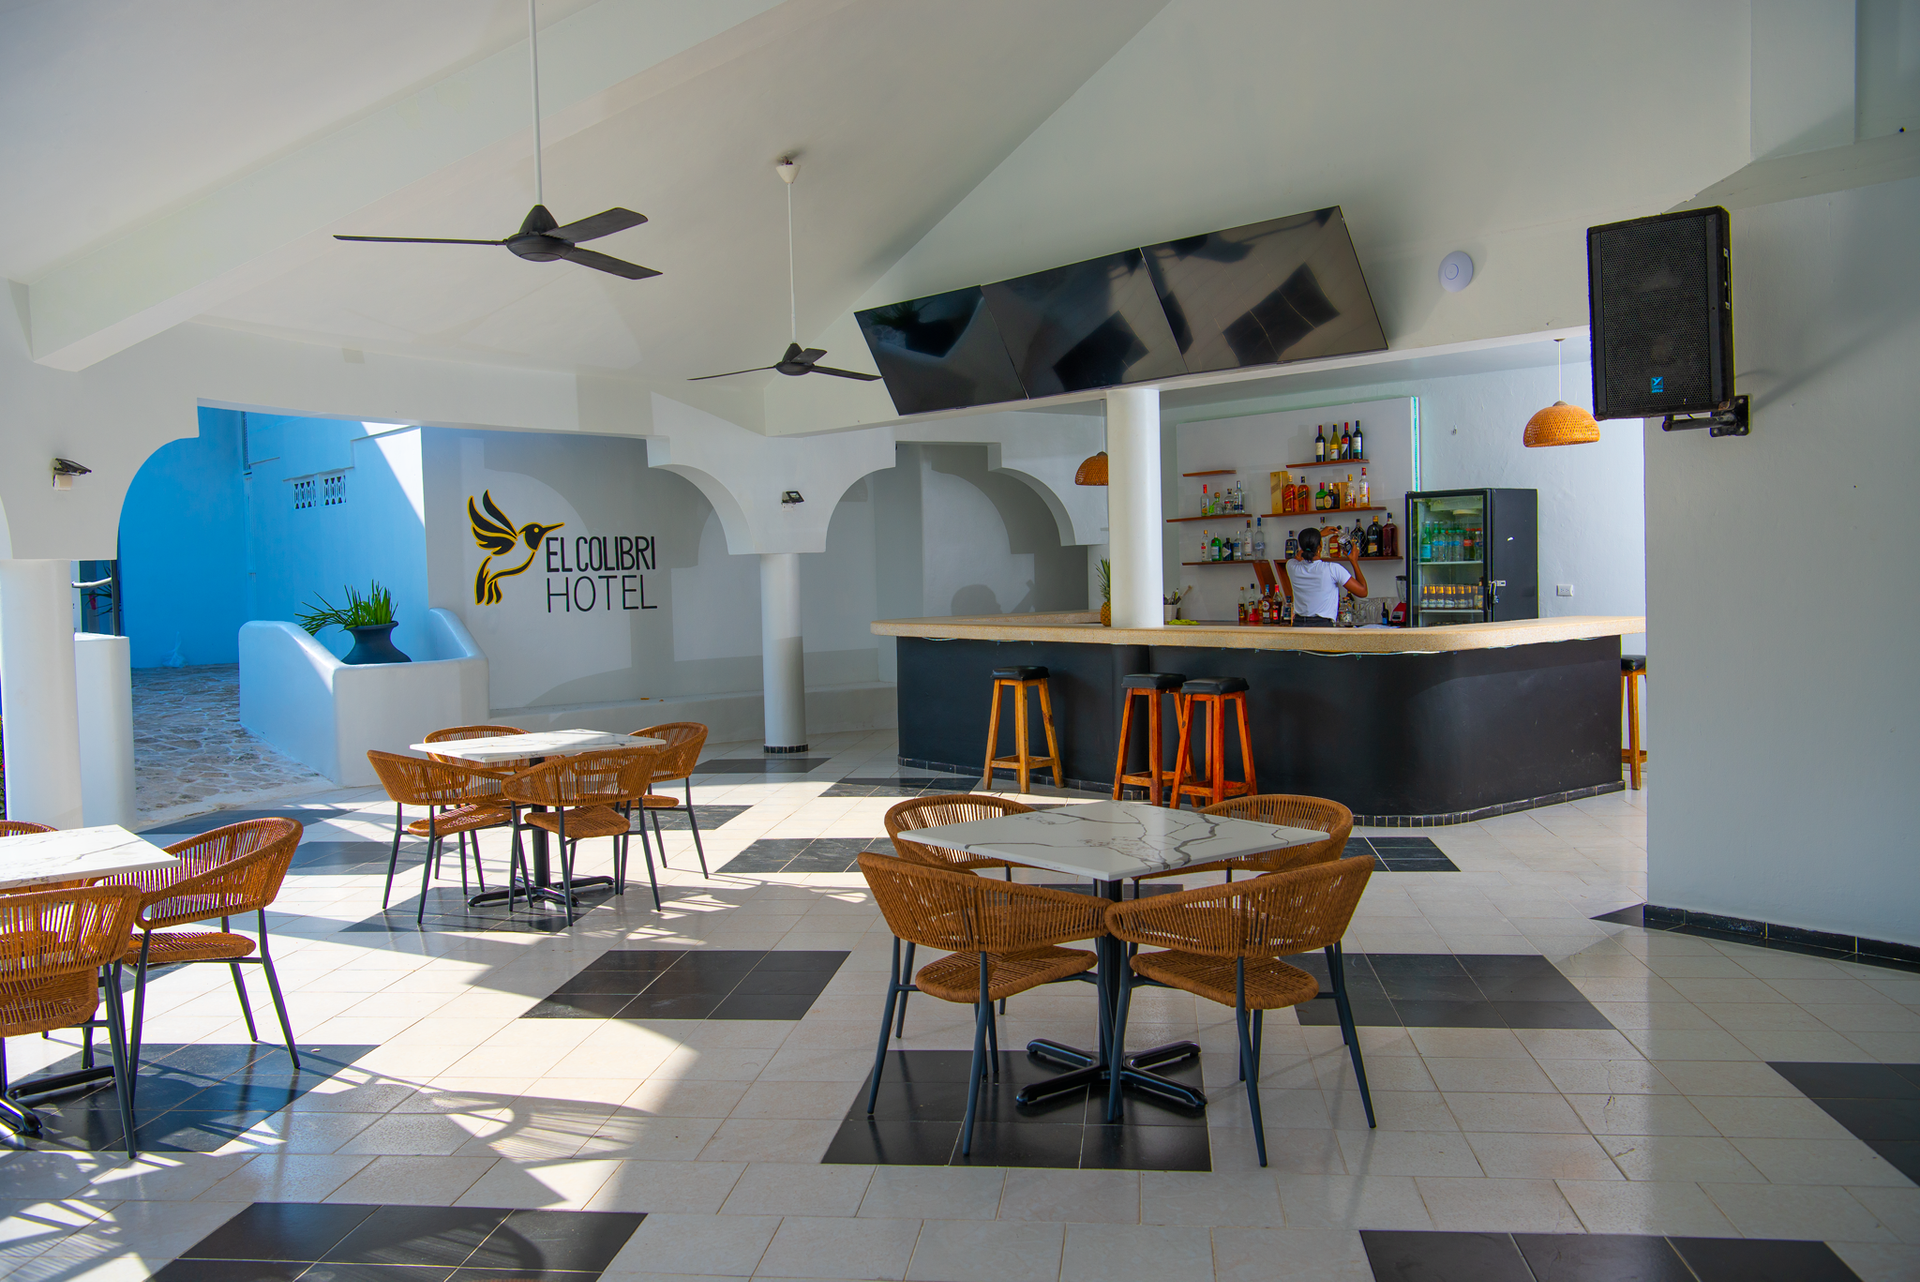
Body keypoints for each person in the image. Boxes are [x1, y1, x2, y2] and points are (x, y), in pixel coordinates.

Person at [1279, 526, 1367, 627]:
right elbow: (1363, 591)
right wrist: (1354, 561)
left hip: (1298, 624)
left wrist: (1317, 537)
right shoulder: (1332, 569)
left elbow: (1299, 555)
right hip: (1322, 625)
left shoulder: (1292, 566)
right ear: (1320, 547)